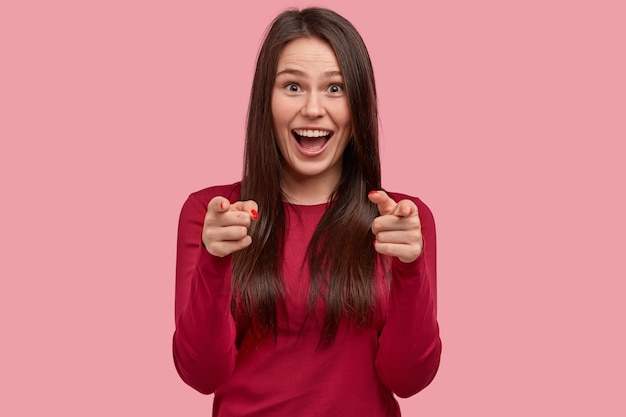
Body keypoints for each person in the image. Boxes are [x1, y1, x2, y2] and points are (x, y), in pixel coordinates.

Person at [173, 7, 441, 416]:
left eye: (335, 89)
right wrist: (214, 261)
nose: (314, 109)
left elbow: (409, 379)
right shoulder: (214, 215)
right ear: (267, 100)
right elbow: (201, 374)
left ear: (359, 104)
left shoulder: (400, 221)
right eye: (293, 87)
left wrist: (410, 267)